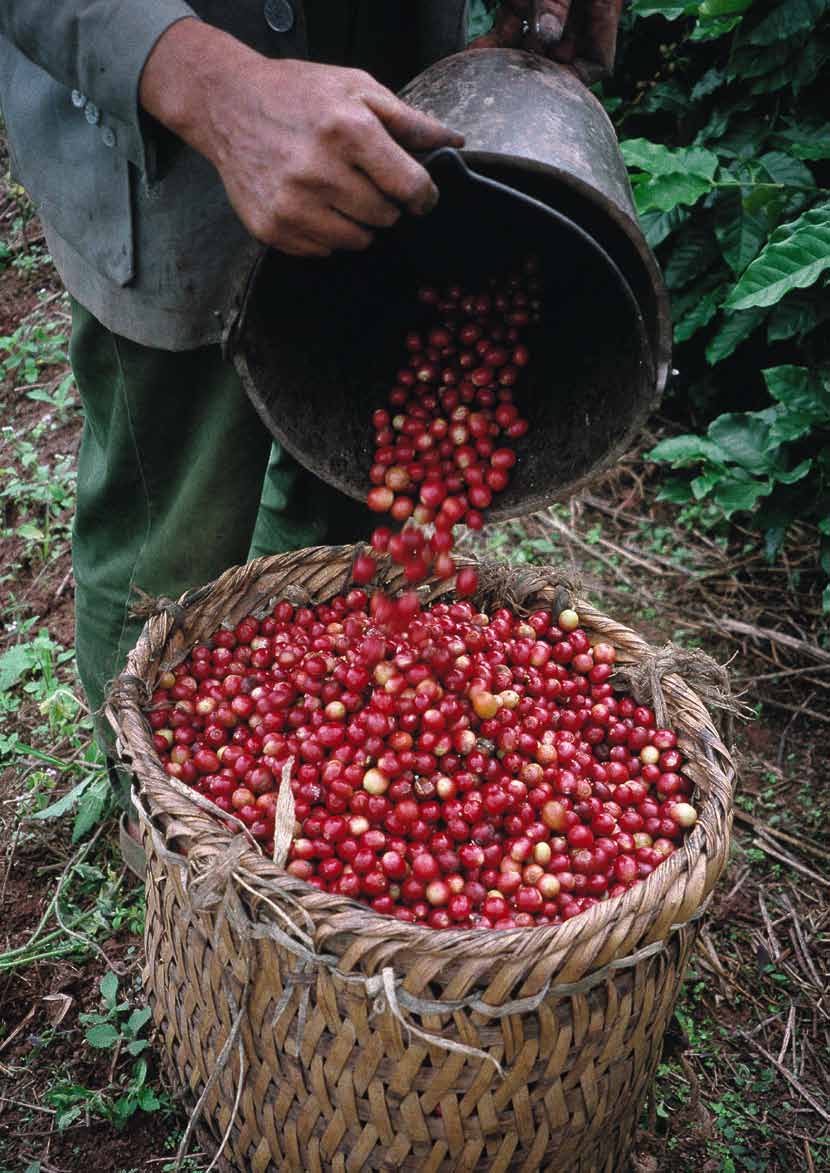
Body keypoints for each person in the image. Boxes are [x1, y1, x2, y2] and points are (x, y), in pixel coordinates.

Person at [0, 1, 622, 826]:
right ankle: (151, 813)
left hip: (388, 121)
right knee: (168, 535)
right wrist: (211, 88)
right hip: (157, 149)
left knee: (361, 487)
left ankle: (289, 746)